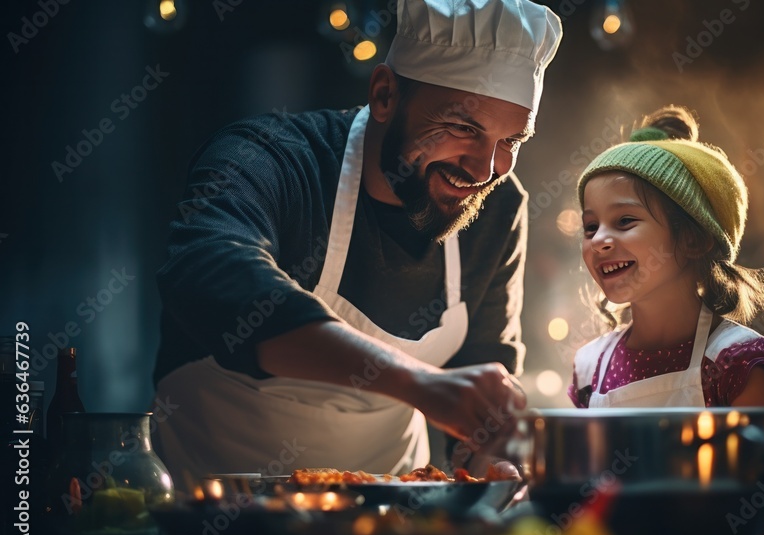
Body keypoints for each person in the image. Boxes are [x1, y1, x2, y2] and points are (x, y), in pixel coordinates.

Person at [151, 0, 562, 488]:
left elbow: (482, 400)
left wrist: (494, 465)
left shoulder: (496, 210)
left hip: (392, 527)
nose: (484, 169)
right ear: (385, 95)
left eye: (511, 141)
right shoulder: (272, 160)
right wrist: (419, 384)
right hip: (217, 518)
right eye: (463, 128)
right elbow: (210, 272)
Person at [568, 105, 764, 535]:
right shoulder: (589, 366)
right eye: (590, 225)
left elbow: (760, 501)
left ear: (695, 238)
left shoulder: (737, 360)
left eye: (625, 221)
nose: (599, 240)